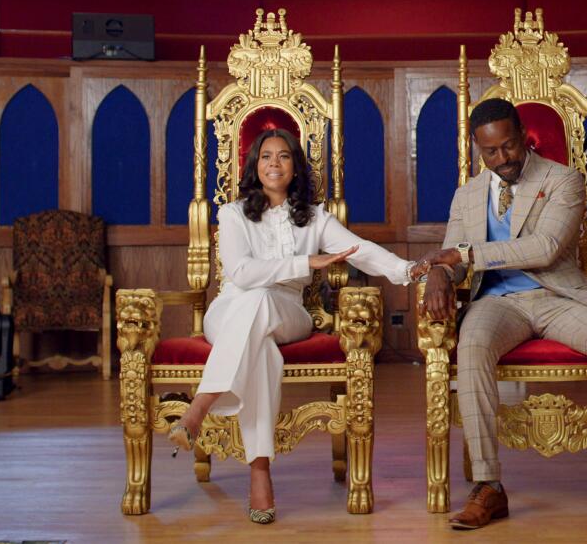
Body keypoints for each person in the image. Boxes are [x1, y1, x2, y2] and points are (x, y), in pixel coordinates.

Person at [418, 98, 587, 533]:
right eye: (490, 152)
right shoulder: (467, 195)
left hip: (560, 297)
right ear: (477, 150)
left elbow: (545, 247)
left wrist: (462, 254)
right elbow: (453, 257)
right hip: (496, 304)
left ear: (523, 136)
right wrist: (441, 274)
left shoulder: (565, 180)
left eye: (508, 147)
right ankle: (488, 487)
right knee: (473, 344)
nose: (501, 160)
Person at [168, 128, 424, 525]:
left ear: (294, 167)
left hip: (287, 311)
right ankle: (259, 470)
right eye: (266, 156)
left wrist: (407, 269)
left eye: (284, 156)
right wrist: (305, 264)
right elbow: (240, 272)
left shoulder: (315, 218)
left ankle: (200, 406)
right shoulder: (233, 213)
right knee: (262, 352)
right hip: (230, 308)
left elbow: (359, 249)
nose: (274, 163)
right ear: (255, 165)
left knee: (262, 303)